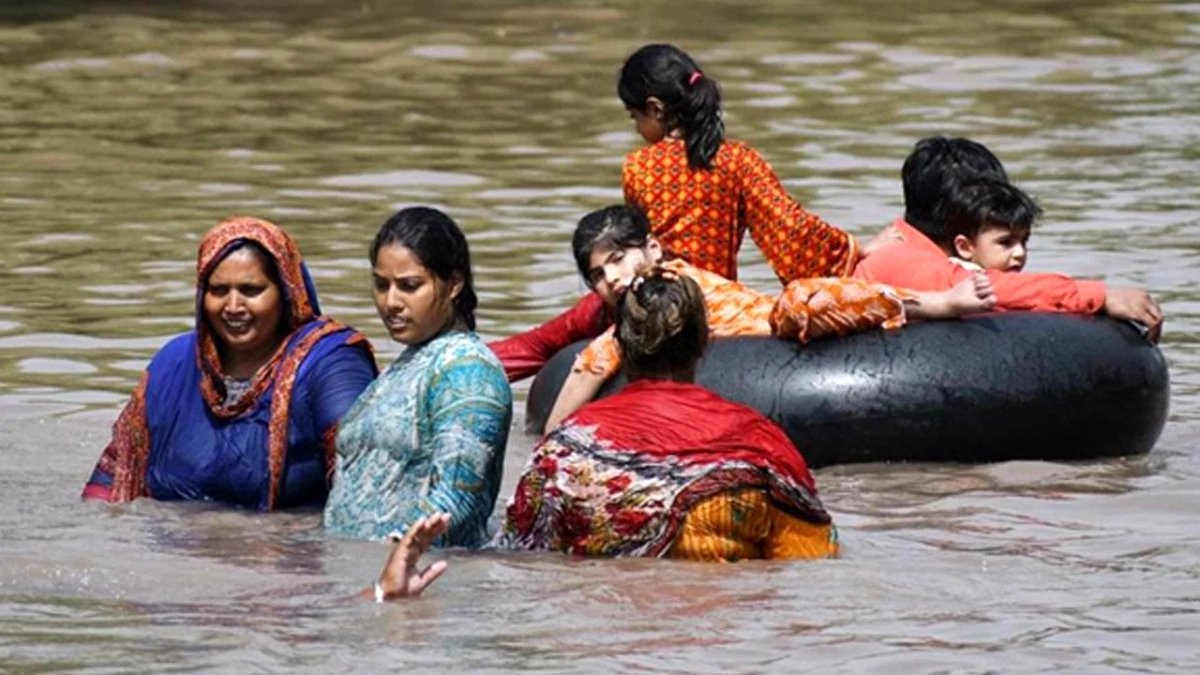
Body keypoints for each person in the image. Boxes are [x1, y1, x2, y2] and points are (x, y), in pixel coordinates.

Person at [543, 205, 996, 432]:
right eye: (598, 275)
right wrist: (552, 438)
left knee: (802, 298)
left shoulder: (668, 287)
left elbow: (600, 356)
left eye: (620, 259)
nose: (613, 279)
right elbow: (596, 360)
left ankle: (938, 303)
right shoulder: (632, 323)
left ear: (654, 249)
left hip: (777, 324)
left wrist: (550, 440)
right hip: (764, 347)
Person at [82, 217, 377, 510]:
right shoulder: (174, 363)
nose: (233, 307)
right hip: (177, 547)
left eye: (251, 290)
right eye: (219, 290)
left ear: (286, 293)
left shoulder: (330, 362)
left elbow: (363, 478)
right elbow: (111, 483)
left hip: (284, 549)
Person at [618, 43, 897, 284]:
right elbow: (789, 229)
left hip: (658, 302)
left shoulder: (636, 166)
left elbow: (637, 250)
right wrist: (857, 249)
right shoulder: (737, 159)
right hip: (716, 305)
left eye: (634, 118)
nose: (637, 129)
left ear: (655, 109)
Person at [323, 207, 512, 548]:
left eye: (409, 286)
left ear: (454, 284)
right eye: (381, 285)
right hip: (360, 580)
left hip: (419, 586)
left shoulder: (468, 372)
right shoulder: (407, 366)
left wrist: (396, 573)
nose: (390, 302)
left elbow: (455, 504)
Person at [853, 136, 1163, 341]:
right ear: (965, 211)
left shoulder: (918, 254)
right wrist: (1100, 296)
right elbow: (991, 289)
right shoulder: (900, 257)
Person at [944, 175, 1039, 273]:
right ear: (965, 247)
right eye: (1005, 242)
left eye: (1024, 241)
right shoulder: (962, 282)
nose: (1020, 253)